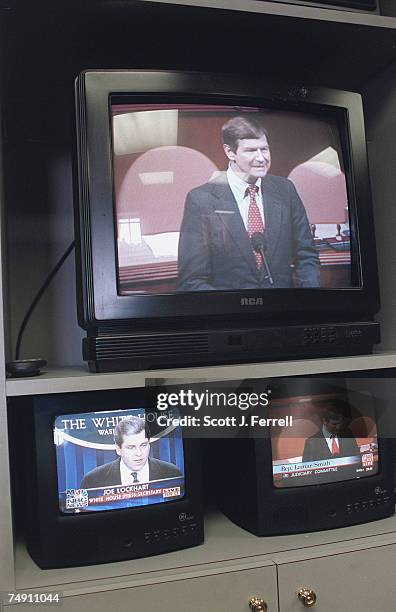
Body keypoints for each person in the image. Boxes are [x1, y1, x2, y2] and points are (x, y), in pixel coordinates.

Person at [177, 115, 320, 291]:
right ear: (230, 152)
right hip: (229, 314)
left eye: (264, 149)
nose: (261, 158)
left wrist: (308, 302)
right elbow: (192, 280)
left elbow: (306, 256)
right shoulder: (201, 200)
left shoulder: (285, 190)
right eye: (251, 150)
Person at [80, 416, 181, 489]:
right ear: (118, 449)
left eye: (143, 445)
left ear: (149, 444)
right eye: (131, 447)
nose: (139, 453)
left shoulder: (172, 473)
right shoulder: (93, 480)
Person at [302, 399, 361, 463]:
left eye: (340, 423)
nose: (338, 427)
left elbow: (357, 457)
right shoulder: (312, 442)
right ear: (325, 421)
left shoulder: (348, 434)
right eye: (334, 424)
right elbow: (308, 466)